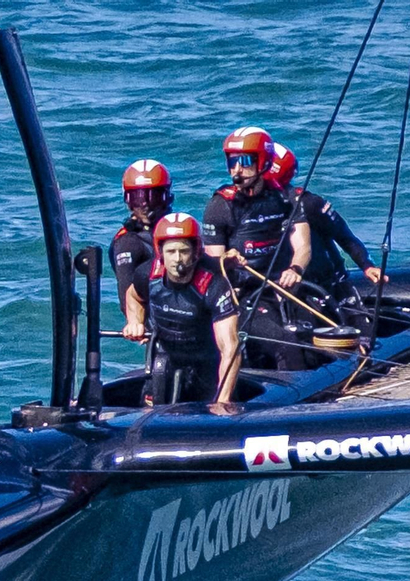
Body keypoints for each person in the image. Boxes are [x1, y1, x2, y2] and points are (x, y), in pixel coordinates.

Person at [142, 213, 241, 405]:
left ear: (195, 252)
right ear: (160, 252)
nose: (177, 259)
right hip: (165, 360)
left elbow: (230, 348)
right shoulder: (147, 274)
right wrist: (135, 321)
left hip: (206, 364)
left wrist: (223, 401)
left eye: (184, 251)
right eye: (171, 252)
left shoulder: (215, 285)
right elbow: (133, 295)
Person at [264, 142, 385, 292]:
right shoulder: (244, 206)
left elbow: (344, 235)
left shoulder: (309, 203)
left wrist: (367, 266)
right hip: (276, 285)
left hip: (326, 285)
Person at [202, 127, 311, 291]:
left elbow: (303, 246)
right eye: (232, 162)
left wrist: (295, 269)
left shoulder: (286, 197)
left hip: (283, 283)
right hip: (243, 288)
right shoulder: (220, 205)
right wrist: (226, 261)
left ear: (263, 162)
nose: (237, 170)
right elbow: (214, 261)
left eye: (245, 161)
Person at [111, 159, 173, 342]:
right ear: (128, 201)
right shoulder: (128, 243)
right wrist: (137, 324)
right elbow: (127, 296)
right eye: (138, 198)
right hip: (161, 328)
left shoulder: (177, 230)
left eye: (152, 197)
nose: (145, 204)